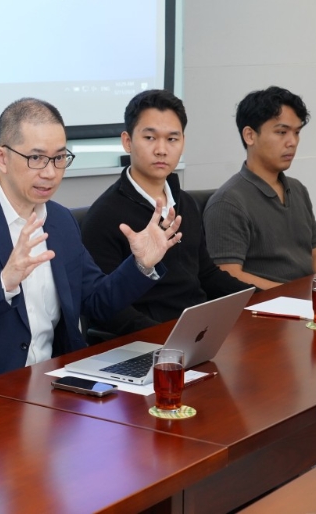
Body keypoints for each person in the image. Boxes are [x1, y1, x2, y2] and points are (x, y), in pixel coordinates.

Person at [0, 97, 183, 387]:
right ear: (1, 158)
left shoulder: (60, 221)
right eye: (36, 158)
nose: (50, 172)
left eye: (59, 158)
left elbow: (96, 303)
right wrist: (4, 283)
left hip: (56, 382)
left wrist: (140, 265)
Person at [81, 90, 250, 337]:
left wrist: (260, 299)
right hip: (146, 344)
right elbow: (106, 310)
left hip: (198, 333)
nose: (162, 150)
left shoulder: (186, 203)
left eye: (172, 139)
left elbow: (206, 274)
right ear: (127, 141)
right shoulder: (104, 216)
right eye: (150, 138)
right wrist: (167, 339)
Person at [203, 86, 316, 289]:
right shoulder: (227, 202)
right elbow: (229, 276)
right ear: (250, 136)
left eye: (296, 132)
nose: (292, 142)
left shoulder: (298, 190)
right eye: (281, 132)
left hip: (306, 306)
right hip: (264, 312)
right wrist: (293, 296)